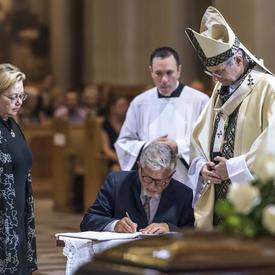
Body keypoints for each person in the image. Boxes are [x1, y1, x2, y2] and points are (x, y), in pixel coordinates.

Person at [185, 6, 275, 229]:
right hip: (217, 191)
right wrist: (201, 166)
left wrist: (233, 169)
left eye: (219, 72)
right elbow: (199, 135)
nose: (215, 79)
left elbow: (272, 143)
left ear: (238, 59)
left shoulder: (267, 88)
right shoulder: (221, 88)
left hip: (248, 195)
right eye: (211, 73)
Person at [114, 47, 209, 195]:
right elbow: (123, 143)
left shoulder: (200, 101)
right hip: (151, 181)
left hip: (186, 180)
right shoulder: (140, 103)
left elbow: (208, 141)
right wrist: (149, 147)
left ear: (179, 70)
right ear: (151, 71)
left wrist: (177, 146)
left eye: (169, 73)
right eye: (158, 73)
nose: (164, 79)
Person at [80, 142, 194, 233]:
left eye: (161, 181)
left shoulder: (183, 194)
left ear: (172, 174)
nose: (153, 187)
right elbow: (89, 220)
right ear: (139, 167)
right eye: (147, 178)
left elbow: (192, 231)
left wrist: (170, 228)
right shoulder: (117, 183)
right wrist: (115, 225)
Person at [0, 63, 37, 274]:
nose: (18, 102)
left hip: (18, 221)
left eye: (22, 96)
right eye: (12, 96)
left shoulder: (13, 126)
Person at [101, 95, 129, 171]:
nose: (125, 109)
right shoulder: (105, 125)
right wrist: (121, 160)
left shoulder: (129, 124)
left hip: (129, 160)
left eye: (126, 105)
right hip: (112, 160)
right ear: (112, 108)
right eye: (121, 106)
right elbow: (106, 150)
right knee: (117, 170)